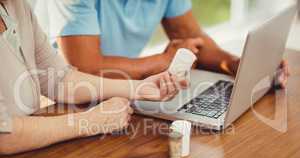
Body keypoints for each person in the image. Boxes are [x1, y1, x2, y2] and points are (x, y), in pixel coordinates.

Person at [0, 0, 187, 155]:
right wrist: (90, 122)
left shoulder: (16, 6)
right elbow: (4, 134)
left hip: (28, 153)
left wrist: (139, 88)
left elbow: (58, 80)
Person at [36, 0, 289, 87]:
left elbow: (194, 42)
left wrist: (239, 65)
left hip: (123, 90)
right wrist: (162, 61)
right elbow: (85, 68)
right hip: (60, 97)